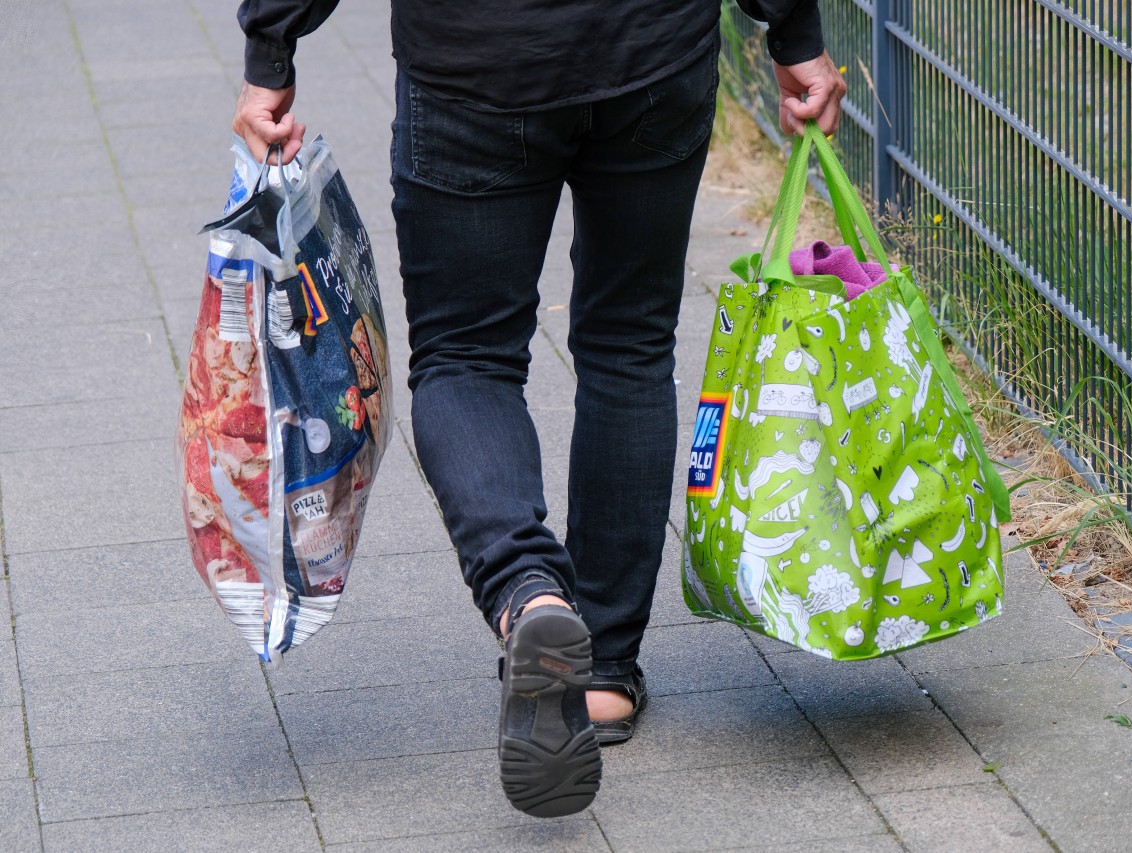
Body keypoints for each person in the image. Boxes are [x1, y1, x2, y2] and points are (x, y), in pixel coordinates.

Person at [233, 0, 845, 818]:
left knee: (465, 356)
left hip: (475, 61)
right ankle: (603, 675)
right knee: (630, 341)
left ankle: (531, 594)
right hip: (652, 53)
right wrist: (793, 32)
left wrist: (272, 48)